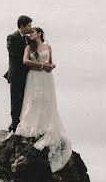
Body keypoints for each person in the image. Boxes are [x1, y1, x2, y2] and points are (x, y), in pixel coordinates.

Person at [14, 27, 72, 172]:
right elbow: (25, 61)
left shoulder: (48, 47)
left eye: (32, 32)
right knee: (33, 101)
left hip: (46, 78)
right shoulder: (29, 47)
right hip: (34, 76)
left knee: (47, 101)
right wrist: (41, 66)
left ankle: (45, 125)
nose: (30, 34)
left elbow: (51, 63)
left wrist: (51, 66)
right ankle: (34, 125)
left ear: (39, 33)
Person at [5, 15, 35, 132]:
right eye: (28, 26)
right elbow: (15, 54)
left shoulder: (28, 39)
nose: (30, 29)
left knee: (25, 99)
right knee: (16, 100)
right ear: (21, 26)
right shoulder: (12, 37)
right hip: (16, 75)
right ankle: (14, 125)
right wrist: (29, 59)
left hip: (27, 75)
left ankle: (23, 123)